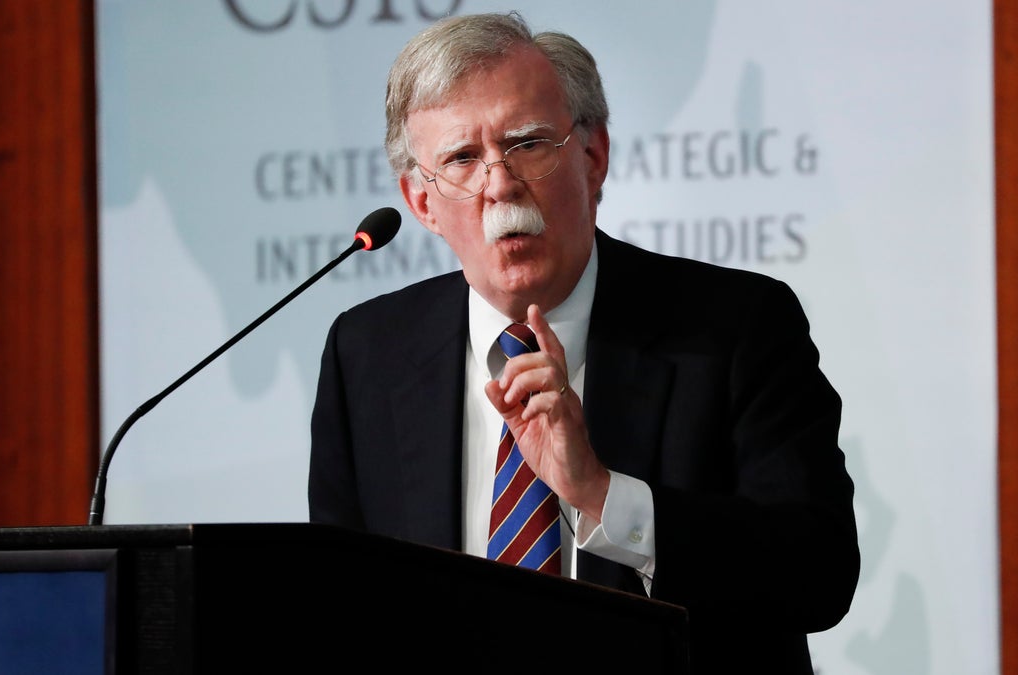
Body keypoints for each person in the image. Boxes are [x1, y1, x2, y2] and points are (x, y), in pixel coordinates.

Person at [309, 11, 859, 673]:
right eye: (461, 158)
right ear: (421, 202)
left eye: (528, 143)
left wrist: (601, 492)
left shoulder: (736, 327)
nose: (499, 185)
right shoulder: (365, 353)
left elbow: (817, 571)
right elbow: (338, 608)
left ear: (592, 157)